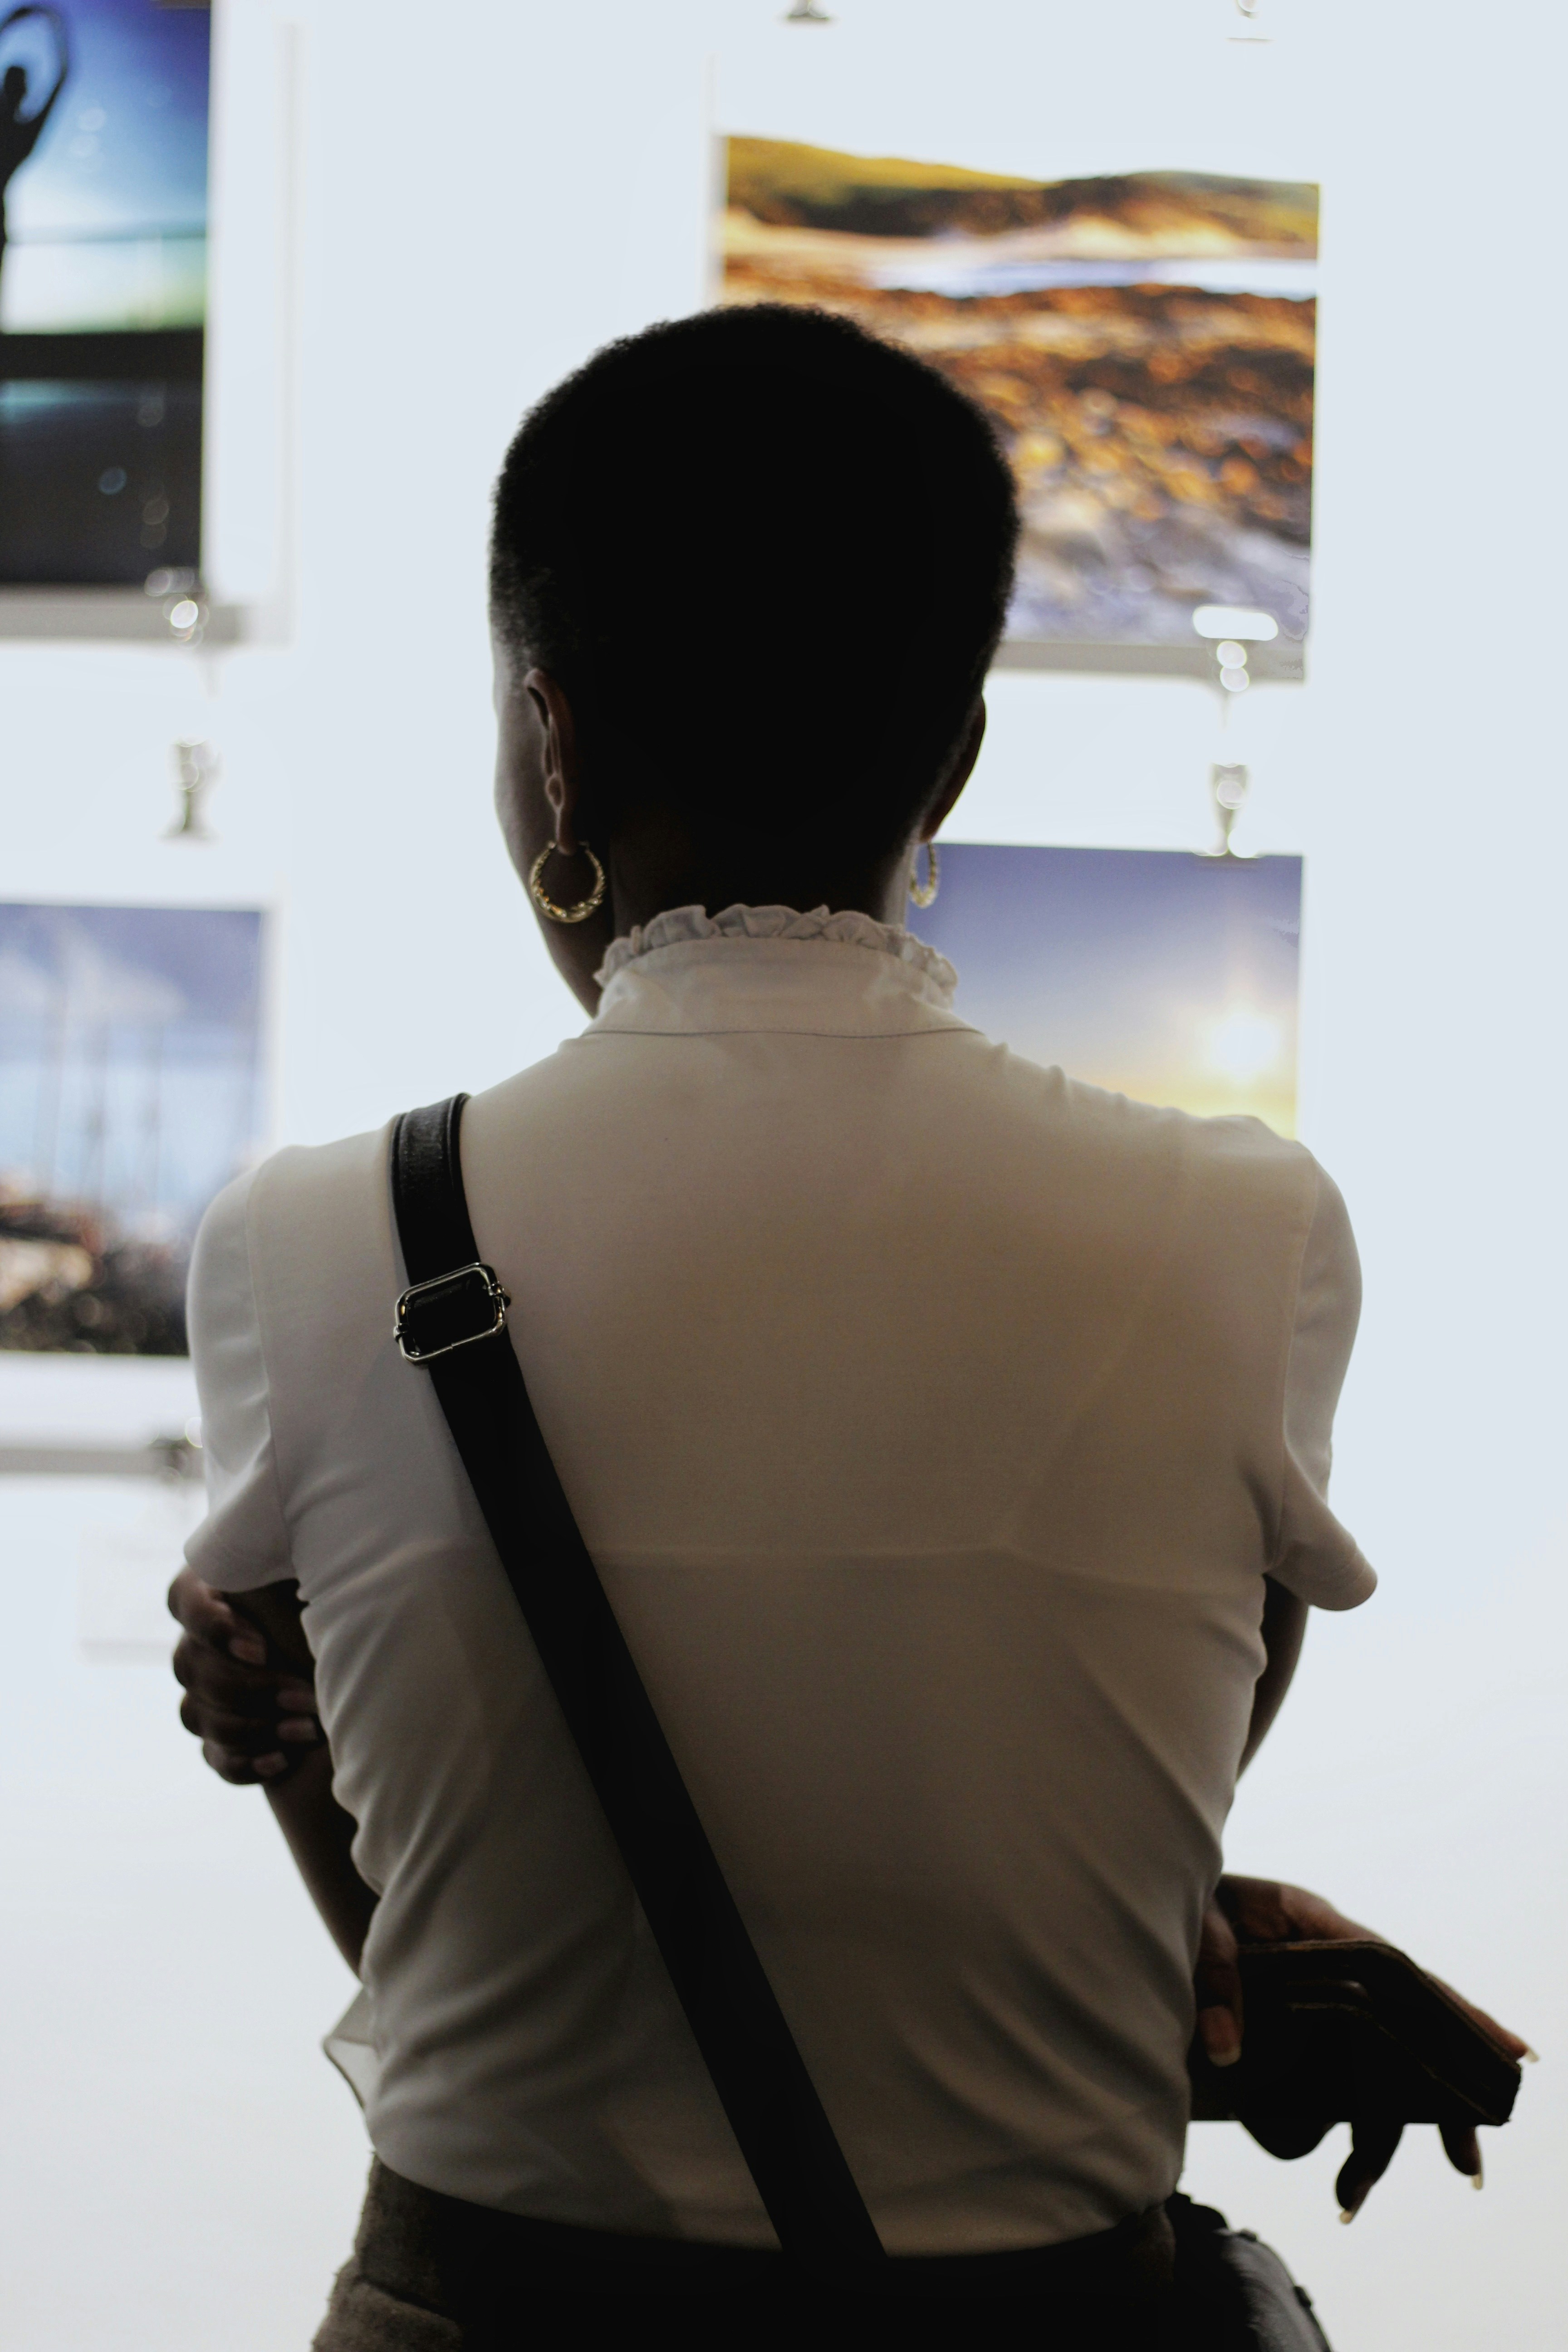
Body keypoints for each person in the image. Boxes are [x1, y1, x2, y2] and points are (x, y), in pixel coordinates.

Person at [167, 305, 1522, 2341]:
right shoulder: (1242, 1230)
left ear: (545, 736)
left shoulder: (316, 1233)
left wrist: (288, 1744)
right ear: (952, 750)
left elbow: (467, 1998)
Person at [0, 5, 69, 303]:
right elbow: (63, 76)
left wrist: (8, 24)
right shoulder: (24, 135)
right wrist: (56, 27)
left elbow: (63, 77)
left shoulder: (22, 134)